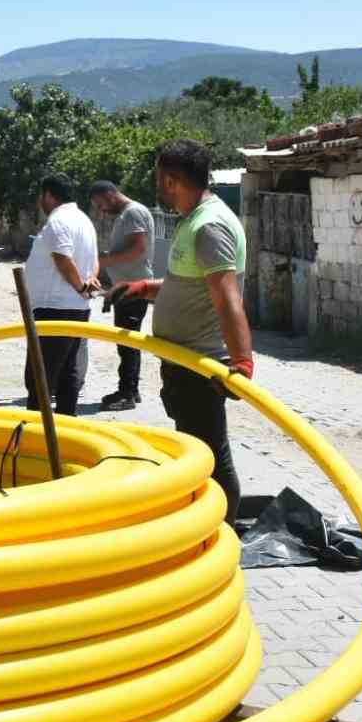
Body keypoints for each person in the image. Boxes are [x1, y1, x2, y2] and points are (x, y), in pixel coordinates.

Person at [110, 140, 251, 525]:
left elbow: (226, 297)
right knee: (197, 451)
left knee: (210, 456)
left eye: (158, 176)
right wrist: (143, 288)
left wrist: (242, 362)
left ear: (170, 180)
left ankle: (222, 534)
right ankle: (209, 526)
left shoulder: (210, 226)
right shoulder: (193, 220)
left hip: (199, 364)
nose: (155, 183)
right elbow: (186, 284)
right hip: (182, 360)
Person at [21, 172, 100, 416]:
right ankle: (67, 423)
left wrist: (81, 286)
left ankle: (37, 429)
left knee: (40, 376)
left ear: (48, 195)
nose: (39, 202)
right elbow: (94, 262)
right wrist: (89, 282)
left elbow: (63, 259)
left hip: (54, 308)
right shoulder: (84, 221)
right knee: (67, 371)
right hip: (75, 308)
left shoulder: (59, 221)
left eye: (40, 197)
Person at [88, 180, 154, 411]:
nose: (101, 210)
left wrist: (103, 260)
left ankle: (128, 393)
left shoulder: (133, 212)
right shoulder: (127, 214)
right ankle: (129, 390)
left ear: (110, 194)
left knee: (128, 342)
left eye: (101, 204)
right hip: (125, 288)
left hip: (133, 289)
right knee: (125, 342)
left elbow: (138, 249)